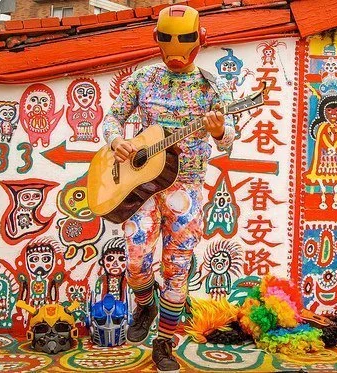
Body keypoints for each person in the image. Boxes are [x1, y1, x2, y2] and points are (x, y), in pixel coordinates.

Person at [101, 5, 235, 372]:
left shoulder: (212, 86)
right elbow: (113, 118)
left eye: (186, 40)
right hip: (140, 184)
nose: (176, 50)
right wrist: (116, 142)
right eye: (167, 40)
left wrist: (220, 129)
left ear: (201, 40)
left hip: (187, 187)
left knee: (178, 268)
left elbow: (228, 141)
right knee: (135, 258)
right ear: (156, 40)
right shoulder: (142, 79)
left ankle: (164, 343)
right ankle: (145, 302)